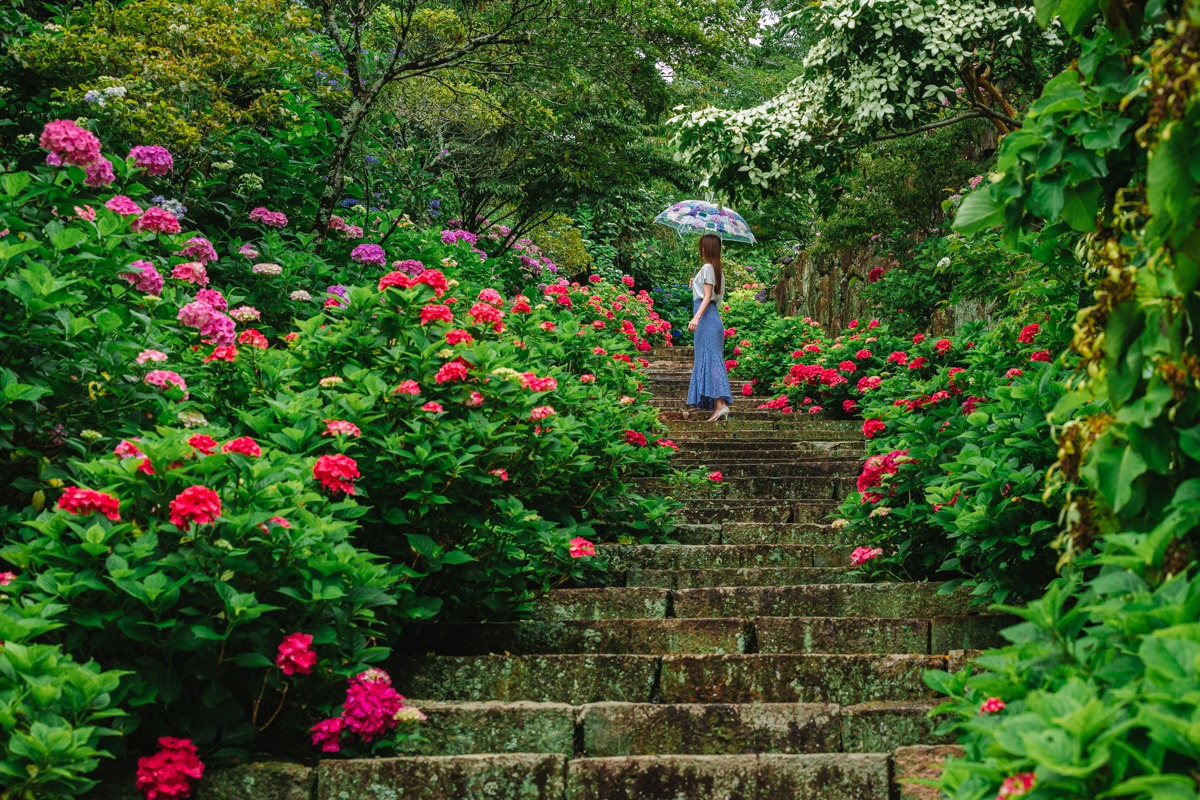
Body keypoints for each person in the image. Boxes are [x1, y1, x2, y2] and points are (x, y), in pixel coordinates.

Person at [686, 233, 733, 421]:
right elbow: (709, 293)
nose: (701, 249)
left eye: (703, 246)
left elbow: (706, 297)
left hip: (706, 318)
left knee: (711, 360)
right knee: (711, 359)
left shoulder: (707, 267)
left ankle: (720, 404)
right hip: (712, 319)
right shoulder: (717, 270)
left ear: (707, 248)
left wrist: (696, 318)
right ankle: (718, 405)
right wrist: (694, 284)